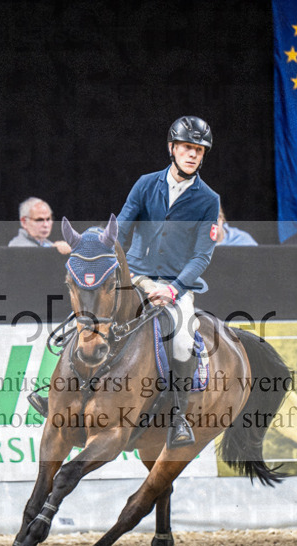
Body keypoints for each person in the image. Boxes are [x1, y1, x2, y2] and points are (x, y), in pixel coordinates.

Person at [115, 115, 221, 447]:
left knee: (183, 340)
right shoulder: (146, 183)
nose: (193, 155)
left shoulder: (208, 199)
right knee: (91, 314)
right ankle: (55, 394)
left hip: (175, 287)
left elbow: (202, 255)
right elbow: (121, 229)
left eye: (199, 150)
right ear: (172, 148)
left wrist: (174, 289)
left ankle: (178, 419)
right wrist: (121, 270)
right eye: (187, 148)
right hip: (135, 275)